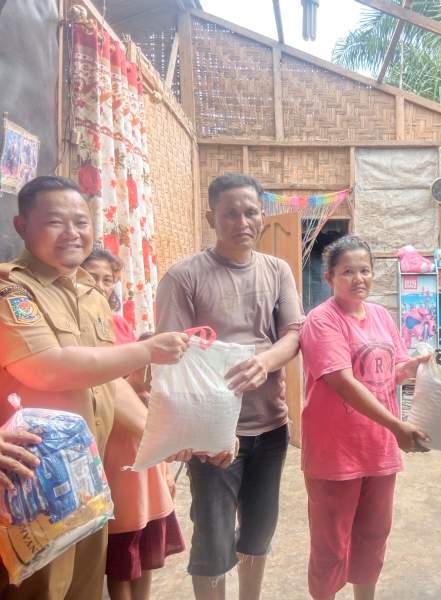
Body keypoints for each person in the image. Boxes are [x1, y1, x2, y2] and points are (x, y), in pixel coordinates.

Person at [0, 175, 188, 599]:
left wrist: (162, 437)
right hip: (31, 488)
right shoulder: (11, 290)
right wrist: (146, 351)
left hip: (89, 480)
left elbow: (108, 382)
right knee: (38, 592)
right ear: (21, 226)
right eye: (55, 222)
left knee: (85, 588)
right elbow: (47, 368)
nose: (72, 233)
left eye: (81, 222)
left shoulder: (90, 293)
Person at [155, 173, 304, 600]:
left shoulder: (277, 270)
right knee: (214, 540)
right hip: (213, 437)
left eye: (251, 212)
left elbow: (294, 333)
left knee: (258, 533)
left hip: (270, 426)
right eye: (230, 214)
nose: (243, 222)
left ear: (262, 216)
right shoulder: (183, 277)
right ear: (211, 218)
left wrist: (265, 362)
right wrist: (190, 432)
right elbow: (173, 359)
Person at [299, 235, 431, 600]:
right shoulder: (321, 320)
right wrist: (396, 426)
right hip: (335, 451)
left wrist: (417, 367)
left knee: (373, 537)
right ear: (329, 277)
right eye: (347, 272)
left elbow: (394, 371)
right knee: (330, 546)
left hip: (378, 449)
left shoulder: (381, 316)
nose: (358, 279)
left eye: (365, 270)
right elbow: (342, 382)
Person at [82, 250, 185, 600]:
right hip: (112, 445)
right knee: (122, 543)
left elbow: (135, 383)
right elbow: (106, 385)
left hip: (140, 440)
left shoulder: (119, 323)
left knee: (145, 535)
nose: (100, 285)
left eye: (107, 279)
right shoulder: (79, 327)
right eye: (91, 277)